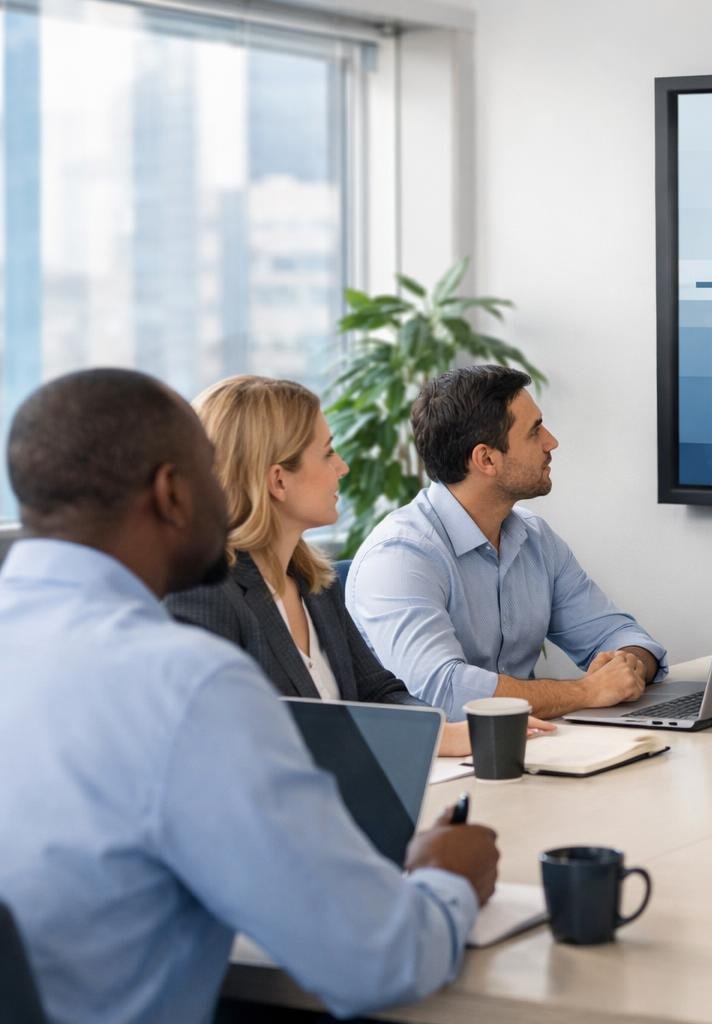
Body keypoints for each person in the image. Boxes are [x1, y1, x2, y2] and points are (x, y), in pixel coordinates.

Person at [0, 369, 500, 1023]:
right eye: (211, 469)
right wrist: (447, 876)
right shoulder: (185, 683)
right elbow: (377, 961)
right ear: (173, 492)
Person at [164, 375, 555, 757]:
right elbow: (230, 747)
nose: (343, 467)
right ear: (278, 481)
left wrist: (452, 735)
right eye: (328, 452)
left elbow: (379, 695)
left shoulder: (315, 585)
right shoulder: (204, 597)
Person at [347, 364, 667, 720]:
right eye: (534, 432)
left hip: (527, 746)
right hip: (441, 767)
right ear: (486, 459)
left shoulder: (535, 538)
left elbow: (618, 632)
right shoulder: (399, 556)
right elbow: (446, 691)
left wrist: (629, 664)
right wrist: (586, 691)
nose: (552, 442)